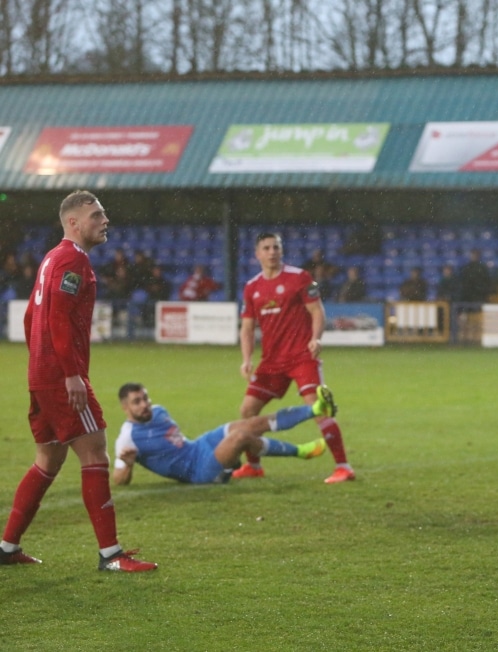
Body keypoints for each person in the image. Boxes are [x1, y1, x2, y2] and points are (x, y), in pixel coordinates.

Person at [1, 190, 157, 571]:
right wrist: (69, 374)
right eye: (96, 215)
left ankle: (6, 548)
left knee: (48, 459)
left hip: (42, 375)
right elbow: (55, 319)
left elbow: (31, 319)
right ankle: (111, 555)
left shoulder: (52, 258)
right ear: (73, 222)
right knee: (95, 453)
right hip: (60, 377)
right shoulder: (71, 259)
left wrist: (40, 365)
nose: (105, 221)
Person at [238, 232, 354, 484]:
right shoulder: (252, 287)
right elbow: (247, 328)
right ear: (257, 254)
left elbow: (317, 311)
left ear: (281, 250)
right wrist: (246, 359)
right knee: (247, 410)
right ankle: (254, 465)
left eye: (276, 247)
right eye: (266, 248)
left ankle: (343, 467)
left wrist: (316, 338)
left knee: (319, 408)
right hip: (271, 362)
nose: (272, 252)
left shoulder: (299, 278)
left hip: (302, 356)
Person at [113, 383, 335, 485]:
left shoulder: (159, 410)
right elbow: (119, 480)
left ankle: (315, 410)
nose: (145, 404)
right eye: (137, 402)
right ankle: (300, 451)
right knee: (240, 438)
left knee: (249, 424)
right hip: (197, 472)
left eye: (145, 398)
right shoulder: (128, 437)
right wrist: (129, 464)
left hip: (198, 447)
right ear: (125, 408)